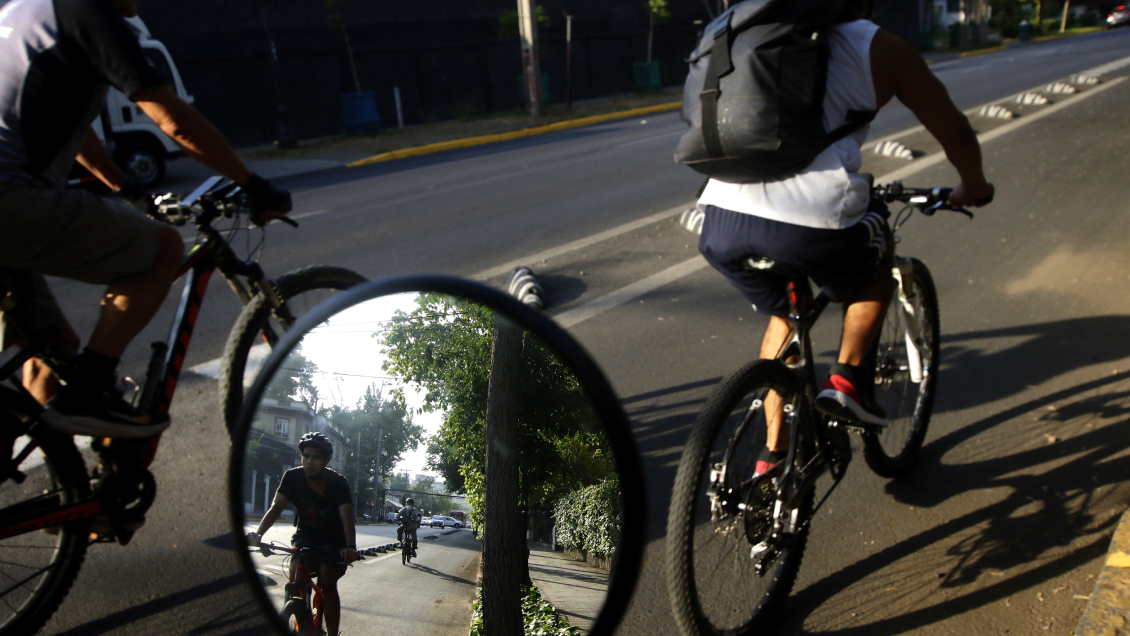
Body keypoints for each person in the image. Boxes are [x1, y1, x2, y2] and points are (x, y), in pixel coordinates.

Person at [696, 0, 994, 476]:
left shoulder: (741, 32)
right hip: (811, 220)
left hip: (720, 217)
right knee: (876, 256)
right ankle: (850, 379)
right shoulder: (876, 45)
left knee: (783, 315)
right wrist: (973, 187)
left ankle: (773, 458)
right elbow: (954, 129)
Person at [0, 0, 290, 438]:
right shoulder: (86, 11)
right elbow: (174, 120)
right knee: (163, 249)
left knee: (51, 350)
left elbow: (80, 135)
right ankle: (90, 390)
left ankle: (76, 495)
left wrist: (127, 192)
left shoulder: (23, 10)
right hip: (11, 197)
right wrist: (253, 184)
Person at [246, 433, 359, 636]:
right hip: (305, 538)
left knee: (326, 579)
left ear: (326, 460)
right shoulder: (292, 477)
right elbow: (276, 507)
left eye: (315, 457)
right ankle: (301, 621)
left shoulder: (338, 482)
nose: (309, 462)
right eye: (305, 456)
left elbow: (347, 517)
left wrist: (350, 546)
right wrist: (258, 534)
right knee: (294, 573)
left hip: (335, 542)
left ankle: (332, 634)